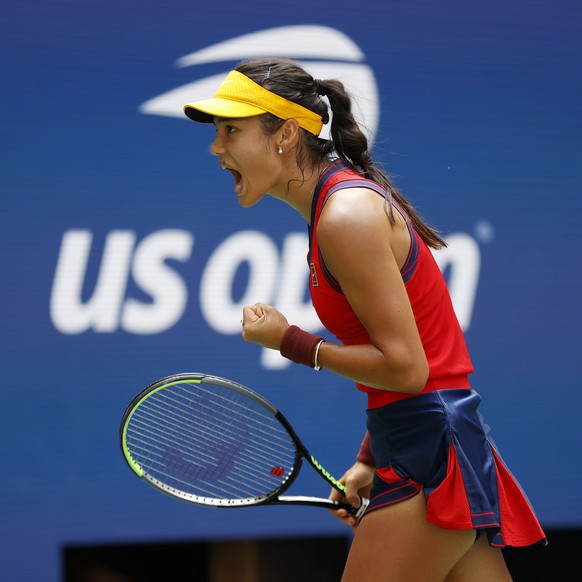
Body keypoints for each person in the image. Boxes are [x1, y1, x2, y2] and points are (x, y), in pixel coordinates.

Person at [183, 57, 546, 581]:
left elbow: (406, 369)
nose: (217, 148)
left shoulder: (345, 214)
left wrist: (291, 341)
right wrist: (372, 458)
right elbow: (416, 361)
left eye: (231, 130)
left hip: (430, 457)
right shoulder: (337, 208)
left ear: (286, 133)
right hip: (432, 443)